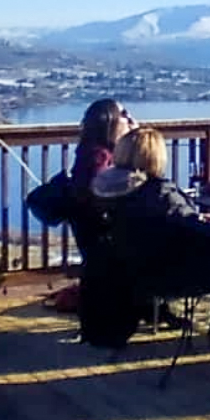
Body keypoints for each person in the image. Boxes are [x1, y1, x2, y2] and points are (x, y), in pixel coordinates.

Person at [86, 126, 210, 349]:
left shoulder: (106, 190)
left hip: (130, 273)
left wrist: (194, 218)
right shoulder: (160, 193)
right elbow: (191, 226)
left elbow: (170, 221)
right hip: (167, 277)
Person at [26, 98, 135, 313]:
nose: (130, 118)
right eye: (124, 114)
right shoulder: (100, 156)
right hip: (108, 240)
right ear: (109, 121)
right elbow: (100, 194)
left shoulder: (92, 152)